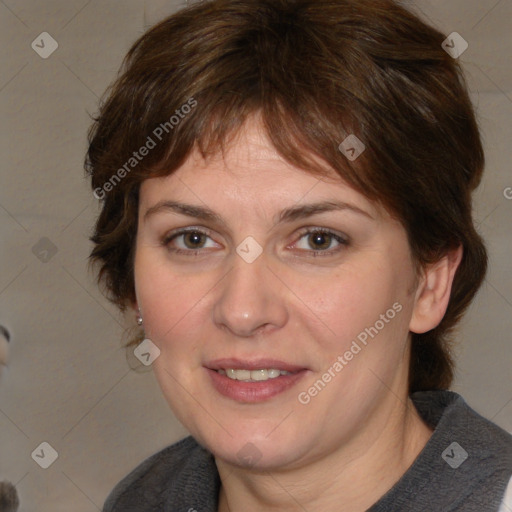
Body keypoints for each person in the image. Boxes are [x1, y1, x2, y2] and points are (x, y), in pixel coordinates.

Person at [85, 0, 512, 510]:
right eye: (193, 239)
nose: (243, 311)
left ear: (429, 281)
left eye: (318, 240)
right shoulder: (145, 499)